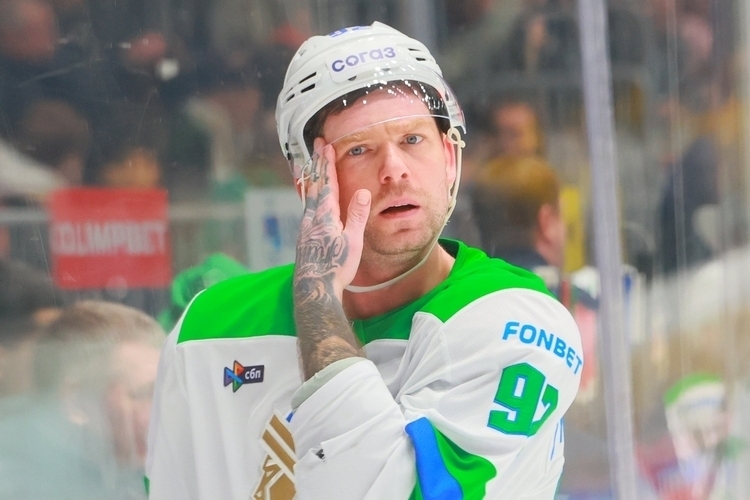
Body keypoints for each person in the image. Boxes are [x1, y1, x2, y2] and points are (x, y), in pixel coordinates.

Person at [146, 21, 583, 499]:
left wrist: (318, 302)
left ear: (449, 157)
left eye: (413, 140)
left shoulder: (515, 320)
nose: (394, 170)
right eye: (360, 149)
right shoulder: (206, 330)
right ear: (308, 182)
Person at [1, 300, 163, 500]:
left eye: (166, 394)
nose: (165, 414)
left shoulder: (125, 472)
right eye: (145, 394)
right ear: (77, 402)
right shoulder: (18, 485)